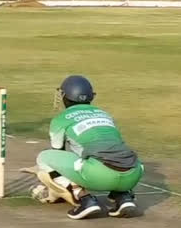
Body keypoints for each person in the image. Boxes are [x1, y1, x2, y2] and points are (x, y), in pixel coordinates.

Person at [26, 76, 144, 220]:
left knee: (44, 157)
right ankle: (124, 198)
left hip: (98, 174)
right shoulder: (104, 114)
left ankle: (84, 199)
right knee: (111, 155)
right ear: (91, 96)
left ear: (64, 96)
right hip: (134, 172)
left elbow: (57, 151)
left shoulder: (61, 118)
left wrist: (48, 177)